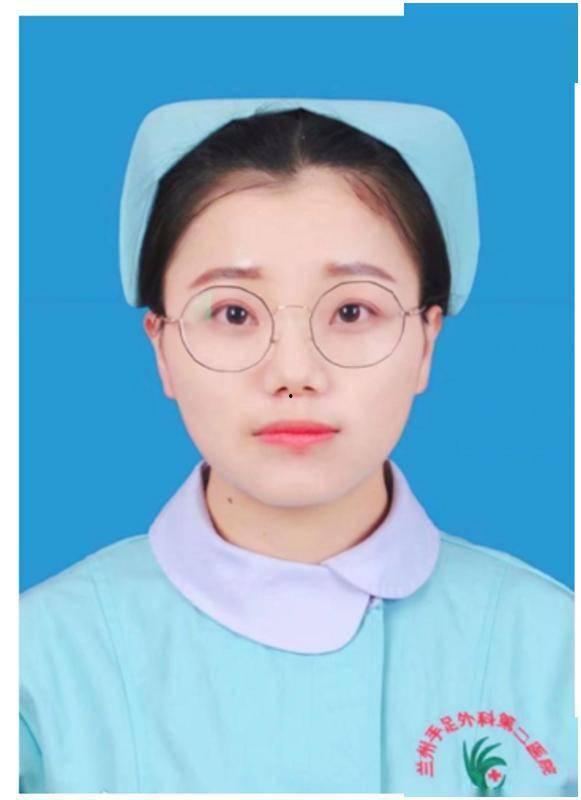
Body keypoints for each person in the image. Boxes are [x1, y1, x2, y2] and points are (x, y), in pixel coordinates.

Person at [19, 98, 577, 796]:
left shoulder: (555, 653)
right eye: (233, 313)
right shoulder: (35, 667)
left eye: (352, 310)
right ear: (161, 348)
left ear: (426, 341)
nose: (293, 373)